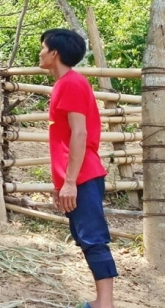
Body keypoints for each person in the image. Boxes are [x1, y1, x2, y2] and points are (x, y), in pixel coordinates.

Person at [39, 28, 117, 308]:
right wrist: (61, 184)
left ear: (54, 53)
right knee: (86, 237)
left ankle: (104, 304)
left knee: (93, 237)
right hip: (76, 176)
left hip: (83, 175)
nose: (40, 53)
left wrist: (70, 181)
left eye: (43, 48)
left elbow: (79, 134)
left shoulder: (71, 83)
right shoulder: (66, 83)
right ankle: (101, 302)